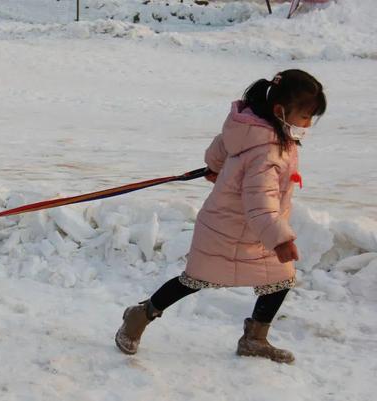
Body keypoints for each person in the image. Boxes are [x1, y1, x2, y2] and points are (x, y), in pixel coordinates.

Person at [115, 69, 327, 363]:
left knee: (281, 278)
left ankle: (255, 338)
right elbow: (260, 202)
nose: (308, 124)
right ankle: (140, 315)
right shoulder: (267, 150)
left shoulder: (250, 123)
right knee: (195, 279)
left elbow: (221, 147)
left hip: (254, 230)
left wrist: (215, 166)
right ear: (280, 111)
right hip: (228, 227)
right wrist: (280, 240)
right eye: (305, 117)